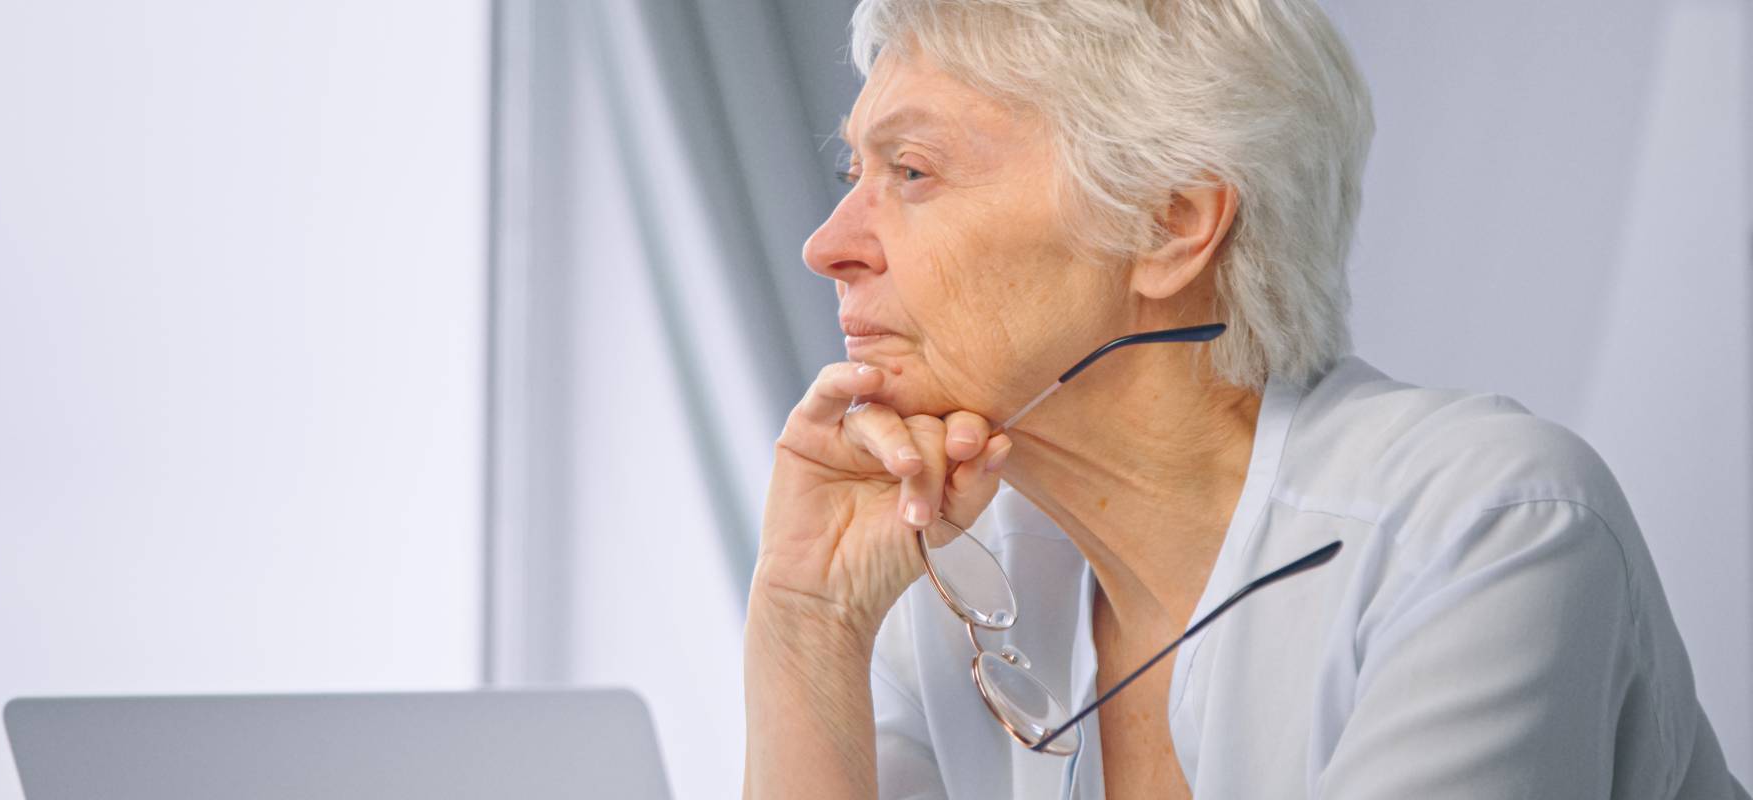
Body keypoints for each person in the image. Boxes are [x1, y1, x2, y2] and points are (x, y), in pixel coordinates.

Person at [742, 0, 1748, 797]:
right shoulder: (953, 583)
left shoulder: (1485, 527)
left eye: (911, 171)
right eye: (852, 170)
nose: (827, 243)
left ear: (1170, 224)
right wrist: (808, 618)